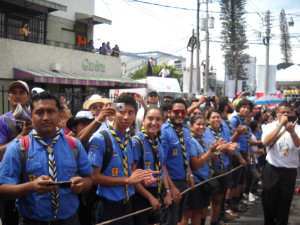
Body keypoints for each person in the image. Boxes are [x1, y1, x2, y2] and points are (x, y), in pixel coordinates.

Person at [0, 91, 93, 224]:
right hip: (32, 221)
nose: (45, 117)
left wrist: (83, 184)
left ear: (59, 114)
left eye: (51, 111)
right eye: (39, 112)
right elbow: (2, 190)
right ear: (31, 115)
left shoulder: (74, 144)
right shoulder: (19, 147)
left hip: (69, 220)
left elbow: (89, 178)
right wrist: (32, 186)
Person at [88, 93, 158, 225]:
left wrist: (143, 177)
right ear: (113, 113)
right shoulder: (101, 139)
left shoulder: (129, 141)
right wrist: (127, 180)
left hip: (128, 204)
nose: (126, 117)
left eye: (131, 112)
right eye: (122, 112)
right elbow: (94, 178)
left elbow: (131, 173)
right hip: (108, 205)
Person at [132, 107, 172, 225]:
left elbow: (161, 169)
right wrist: (150, 197)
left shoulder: (157, 142)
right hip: (140, 195)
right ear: (143, 120)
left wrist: (167, 191)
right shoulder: (137, 142)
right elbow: (132, 175)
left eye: (158, 119)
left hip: (156, 191)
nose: (154, 123)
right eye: (150, 119)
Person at [261, 102, 300, 225]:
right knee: (268, 203)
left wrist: (292, 132)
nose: (285, 114)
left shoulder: (297, 127)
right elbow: (266, 142)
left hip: (289, 171)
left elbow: (298, 144)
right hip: (272, 169)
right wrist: (281, 125)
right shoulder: (269, 126)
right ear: (276, 113)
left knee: (284, 205)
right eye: (282, 112)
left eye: (288, 112)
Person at [0, 80, 33, 225]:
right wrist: (22, 135)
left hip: (33, 172)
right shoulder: (3, 121)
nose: (17, 96)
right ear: (8, 96)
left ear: (28, 96)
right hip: (11, 176)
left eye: (22, 92)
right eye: (14, 92)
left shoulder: (37, 116)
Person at [160, 98, 195, 225]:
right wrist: (171, 188)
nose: (180, 115)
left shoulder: (185, 130)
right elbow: (162, 164)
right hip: (169, 183)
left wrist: (190, 174)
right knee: (169, 220)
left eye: (183, 112)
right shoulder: (164, 131)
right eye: (176, 111)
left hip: (182, 181)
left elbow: (186, 157)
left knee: (177, 219)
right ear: (169, 112)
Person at [180, 114, 219, 225]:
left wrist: (216, 152)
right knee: (186, 214)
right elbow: (195, 165)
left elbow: (213, 163)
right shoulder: (191, 140)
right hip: (194, 183)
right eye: (198, 124)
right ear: (191, 126)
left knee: (198, 212)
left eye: (203, 124)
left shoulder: (204, 140)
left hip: (204, 182)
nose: (202, 127)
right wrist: (210, 152)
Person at [204, 110, 237, 225]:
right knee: (208, 200)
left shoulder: (225, 130)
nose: (216, 120)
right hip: (211, 170)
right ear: (208, 120)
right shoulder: (205, 132)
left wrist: (229, 148)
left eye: (218, 117)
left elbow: (229, 149)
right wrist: (220, 148)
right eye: (213, 117)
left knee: (219, 198)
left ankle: (215, 221)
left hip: (225, 168)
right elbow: (206, 152)